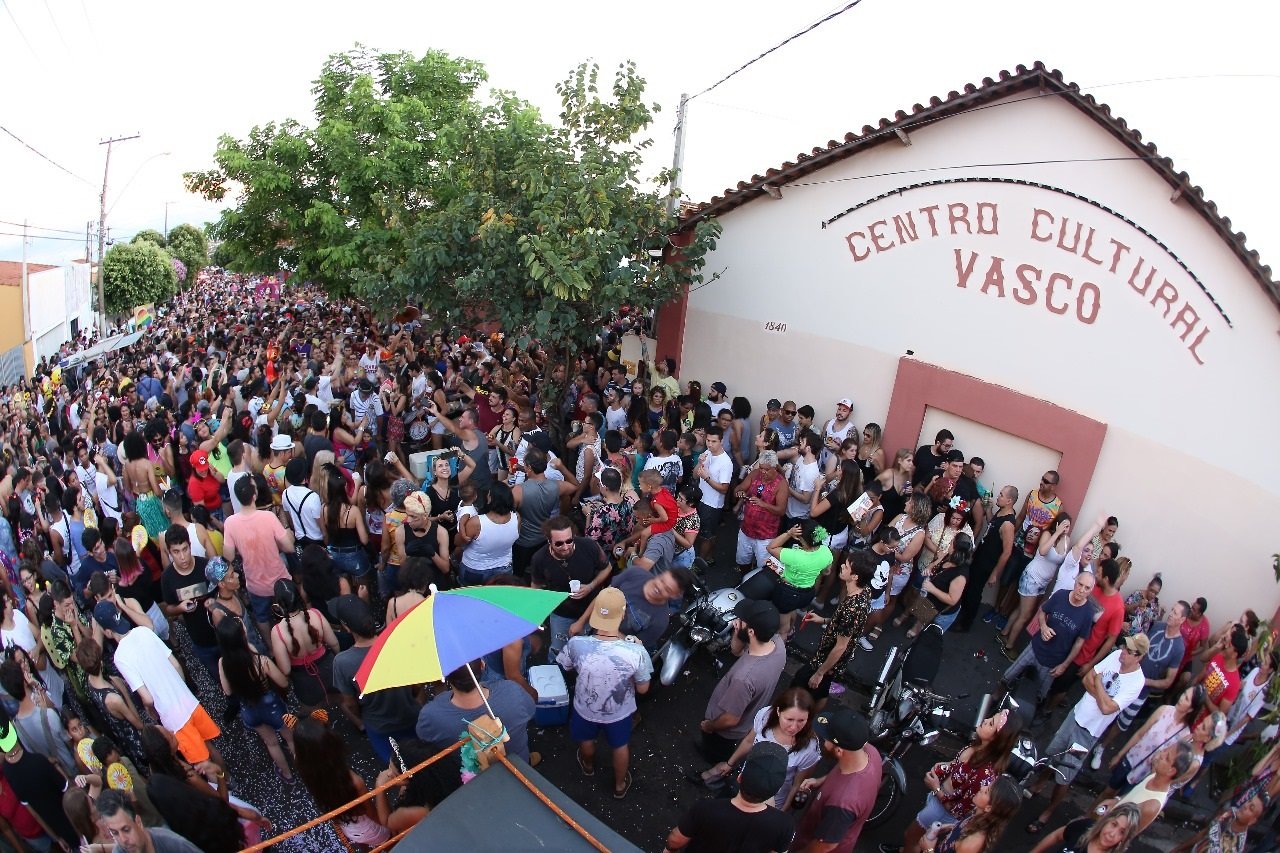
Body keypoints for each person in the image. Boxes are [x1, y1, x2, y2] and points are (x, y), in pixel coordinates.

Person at [1026, 634, 1149, 834]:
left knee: (1065, 775)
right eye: (1125, 647)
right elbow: (1087, 679)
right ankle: (1039, 784)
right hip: (1076, 715)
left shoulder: (1136, 682)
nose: (1123, 652)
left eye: (1129, 651)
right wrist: (1101, 695)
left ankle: (1049, 811)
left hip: (1089, 732)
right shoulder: (1116, 655)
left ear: (1139, 657)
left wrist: (1098, 685)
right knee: (1052, 752)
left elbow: (1108, 709)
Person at [881, 709, 1023, 853]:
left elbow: (957, 811)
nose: (986, 720)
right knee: (918, 838)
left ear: (996, 739)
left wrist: (936, 788)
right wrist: (946, 766)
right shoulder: (978, 746)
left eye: (991, 723)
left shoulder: (983, 775)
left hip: (943, 811)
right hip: (939, 800)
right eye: (991, 717)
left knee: (911, 837)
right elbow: (957, 764)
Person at [557, 587, 653, 799]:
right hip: (619, 712)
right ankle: (619, 785)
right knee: (620, 746)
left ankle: (588, 765)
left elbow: (566, 666)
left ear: (594, 613)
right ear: (623, 613)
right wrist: (638, 647)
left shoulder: (577, 644)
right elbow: (643, 688)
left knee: (586, 740)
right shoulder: (635, 651)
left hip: (585, 707)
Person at [1088, 600, 1188, 769]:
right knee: (1104, 707)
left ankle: (1102, 746)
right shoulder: (1157, 627)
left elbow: (1169, 681)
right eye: (1172, 609)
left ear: (1182, 620)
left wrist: (1144, 681)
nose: (1171, 614)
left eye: (1176, 613)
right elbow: (1139, 649)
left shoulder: (1179, 648)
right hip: (1123, 680)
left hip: (1141, 693)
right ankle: (1090, 737)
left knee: (1122, 722)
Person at [330, 594, 420, 765]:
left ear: (346, 627)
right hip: (410, 715)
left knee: (396, 766)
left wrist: (362, 718)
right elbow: (416, 685)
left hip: (379, 726)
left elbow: (350, 703)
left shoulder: (343, 662)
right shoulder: (398, 642)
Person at [664, 741, 796, 853]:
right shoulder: (785, 825)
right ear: (776, 790)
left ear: (739, 778)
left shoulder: (705, 809)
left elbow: (675, 841)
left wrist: (669, 850)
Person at [698, 599, 787, 765]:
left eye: (741, 621)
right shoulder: (778, 644)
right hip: (748, 720)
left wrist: (710, 725)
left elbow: (730, 719)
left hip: (724, 731)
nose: (737, 621)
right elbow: (736, 651)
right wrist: (738, 633)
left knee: (713, 754)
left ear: (752, 632)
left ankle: (710, 768)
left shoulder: (744, 678)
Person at [292, 714, 392, 850]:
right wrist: (380, 788)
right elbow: (372, 814)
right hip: (369, 828)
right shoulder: (354, 782)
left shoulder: (302, 764)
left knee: (365, 846)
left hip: (347, 827)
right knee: (390, 843)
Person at [791, 707, 883, 852]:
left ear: (839, 750)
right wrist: (822, 780)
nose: (823, 741)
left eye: (827, 739)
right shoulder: (871, 753)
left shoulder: (842, 804)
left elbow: (824, 846)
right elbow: (845, 774)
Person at [999, 570, 1097, 706]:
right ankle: (995, 701)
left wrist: (1064, 665)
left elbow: (1079, 642)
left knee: (1038, 696)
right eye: (1080, 584)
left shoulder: (1087, 613)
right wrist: (1044, 627)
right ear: (1075, 582)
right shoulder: (1061, 595)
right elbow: (1043, 612)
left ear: (1091, 590)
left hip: (1054, 661)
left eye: (1087, 588)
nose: (1081, 590)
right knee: (1008, 676)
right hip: (1036, 647)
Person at [215, 617, 294, 782]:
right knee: (289, 736)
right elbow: (283, 682)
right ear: (243, 635)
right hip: (271, 704)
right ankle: (303, 766)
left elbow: (228, 691)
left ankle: (287, 774)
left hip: (249, 708)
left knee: (271, 743)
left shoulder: (223, 663)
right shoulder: (261, 661)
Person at [414, 658, 537, 764]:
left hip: (470, 784)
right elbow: (530, 711)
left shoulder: (430, 716)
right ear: (482, 665)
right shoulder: (512, 690)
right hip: (519, 766)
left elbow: (425, 741)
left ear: (444, 675)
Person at [792, 549, 874, 706]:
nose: (842, 566)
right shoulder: (865, 591)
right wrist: (823, 620)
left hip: (826, 660)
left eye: (847, 566)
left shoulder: (852, 607)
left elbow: (840, 646)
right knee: (821, 692)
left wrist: (819, 673)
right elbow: (845, 624)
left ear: (855, 577)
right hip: (834, 663)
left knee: (798, 686)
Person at [221, 476, 294, 639]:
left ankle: (272, 648)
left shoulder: (231, 523)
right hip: (280, 580)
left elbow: (229, 556)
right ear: (255, 495)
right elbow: (289, 547)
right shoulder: (268, 518)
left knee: (262, 618)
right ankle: (293, 641)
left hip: (256, 584)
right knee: (291, 613)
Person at [529, 516, 611, 657]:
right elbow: (536, 586)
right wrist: (538, 614)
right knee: (558, 650)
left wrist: (591, 586)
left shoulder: (589, 546)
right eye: (559, 544)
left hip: (591, 609)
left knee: (585, 649)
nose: (566, 547)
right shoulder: (540, 559)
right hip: (561, 613)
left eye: (569, 541)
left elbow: (607, 568)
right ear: (549, 541)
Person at [0, 705, 79, 848]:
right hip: (76, 822)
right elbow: (69, 791)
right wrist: (57, 769)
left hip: (59, 832)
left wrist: (57, 838)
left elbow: (35, 812)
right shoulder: (38, 761)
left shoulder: (7, 770)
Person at [744, 519, 832, 639]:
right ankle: (791, 630)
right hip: (807, 593)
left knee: (782, 629)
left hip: (788, 594)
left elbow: (771, 547)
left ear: (803, 540)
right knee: (792, 610)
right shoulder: (826, 551)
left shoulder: (794, 556)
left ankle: (783, 644)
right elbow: (827, 571)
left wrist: (789, 533)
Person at [94, 788, 202, 853]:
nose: (123, 840)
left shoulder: (175, 845)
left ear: (138, 822)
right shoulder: (119, 851)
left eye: (126, 829)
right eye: (115, 833)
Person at [734, 451, 788, 573]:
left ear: (774, 468)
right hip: (746, 530)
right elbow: (739, 488)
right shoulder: (755, 474)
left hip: (765, 535)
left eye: (767, 470)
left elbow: (781, 511)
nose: (763, 472)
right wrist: (740, 492)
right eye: (761, 468)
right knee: (743, 560)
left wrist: (763, 504)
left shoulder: (781, 484)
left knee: (762, 568)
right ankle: (743, 579)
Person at [1170, 787, 1268, 853]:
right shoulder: (1230, 813)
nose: (1245, 806)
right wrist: (1175, 850)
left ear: (1252, 821)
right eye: (1249, 801)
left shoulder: (1234, 846)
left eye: (1251, 808)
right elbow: (1203, 834)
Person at [1030, 802, 1142, 853]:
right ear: (1106, 820)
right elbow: (1056, 836)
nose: (1112, 834)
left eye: (1122, 832)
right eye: (1113, 824)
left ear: (1125, 838)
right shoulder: (1086, 827)